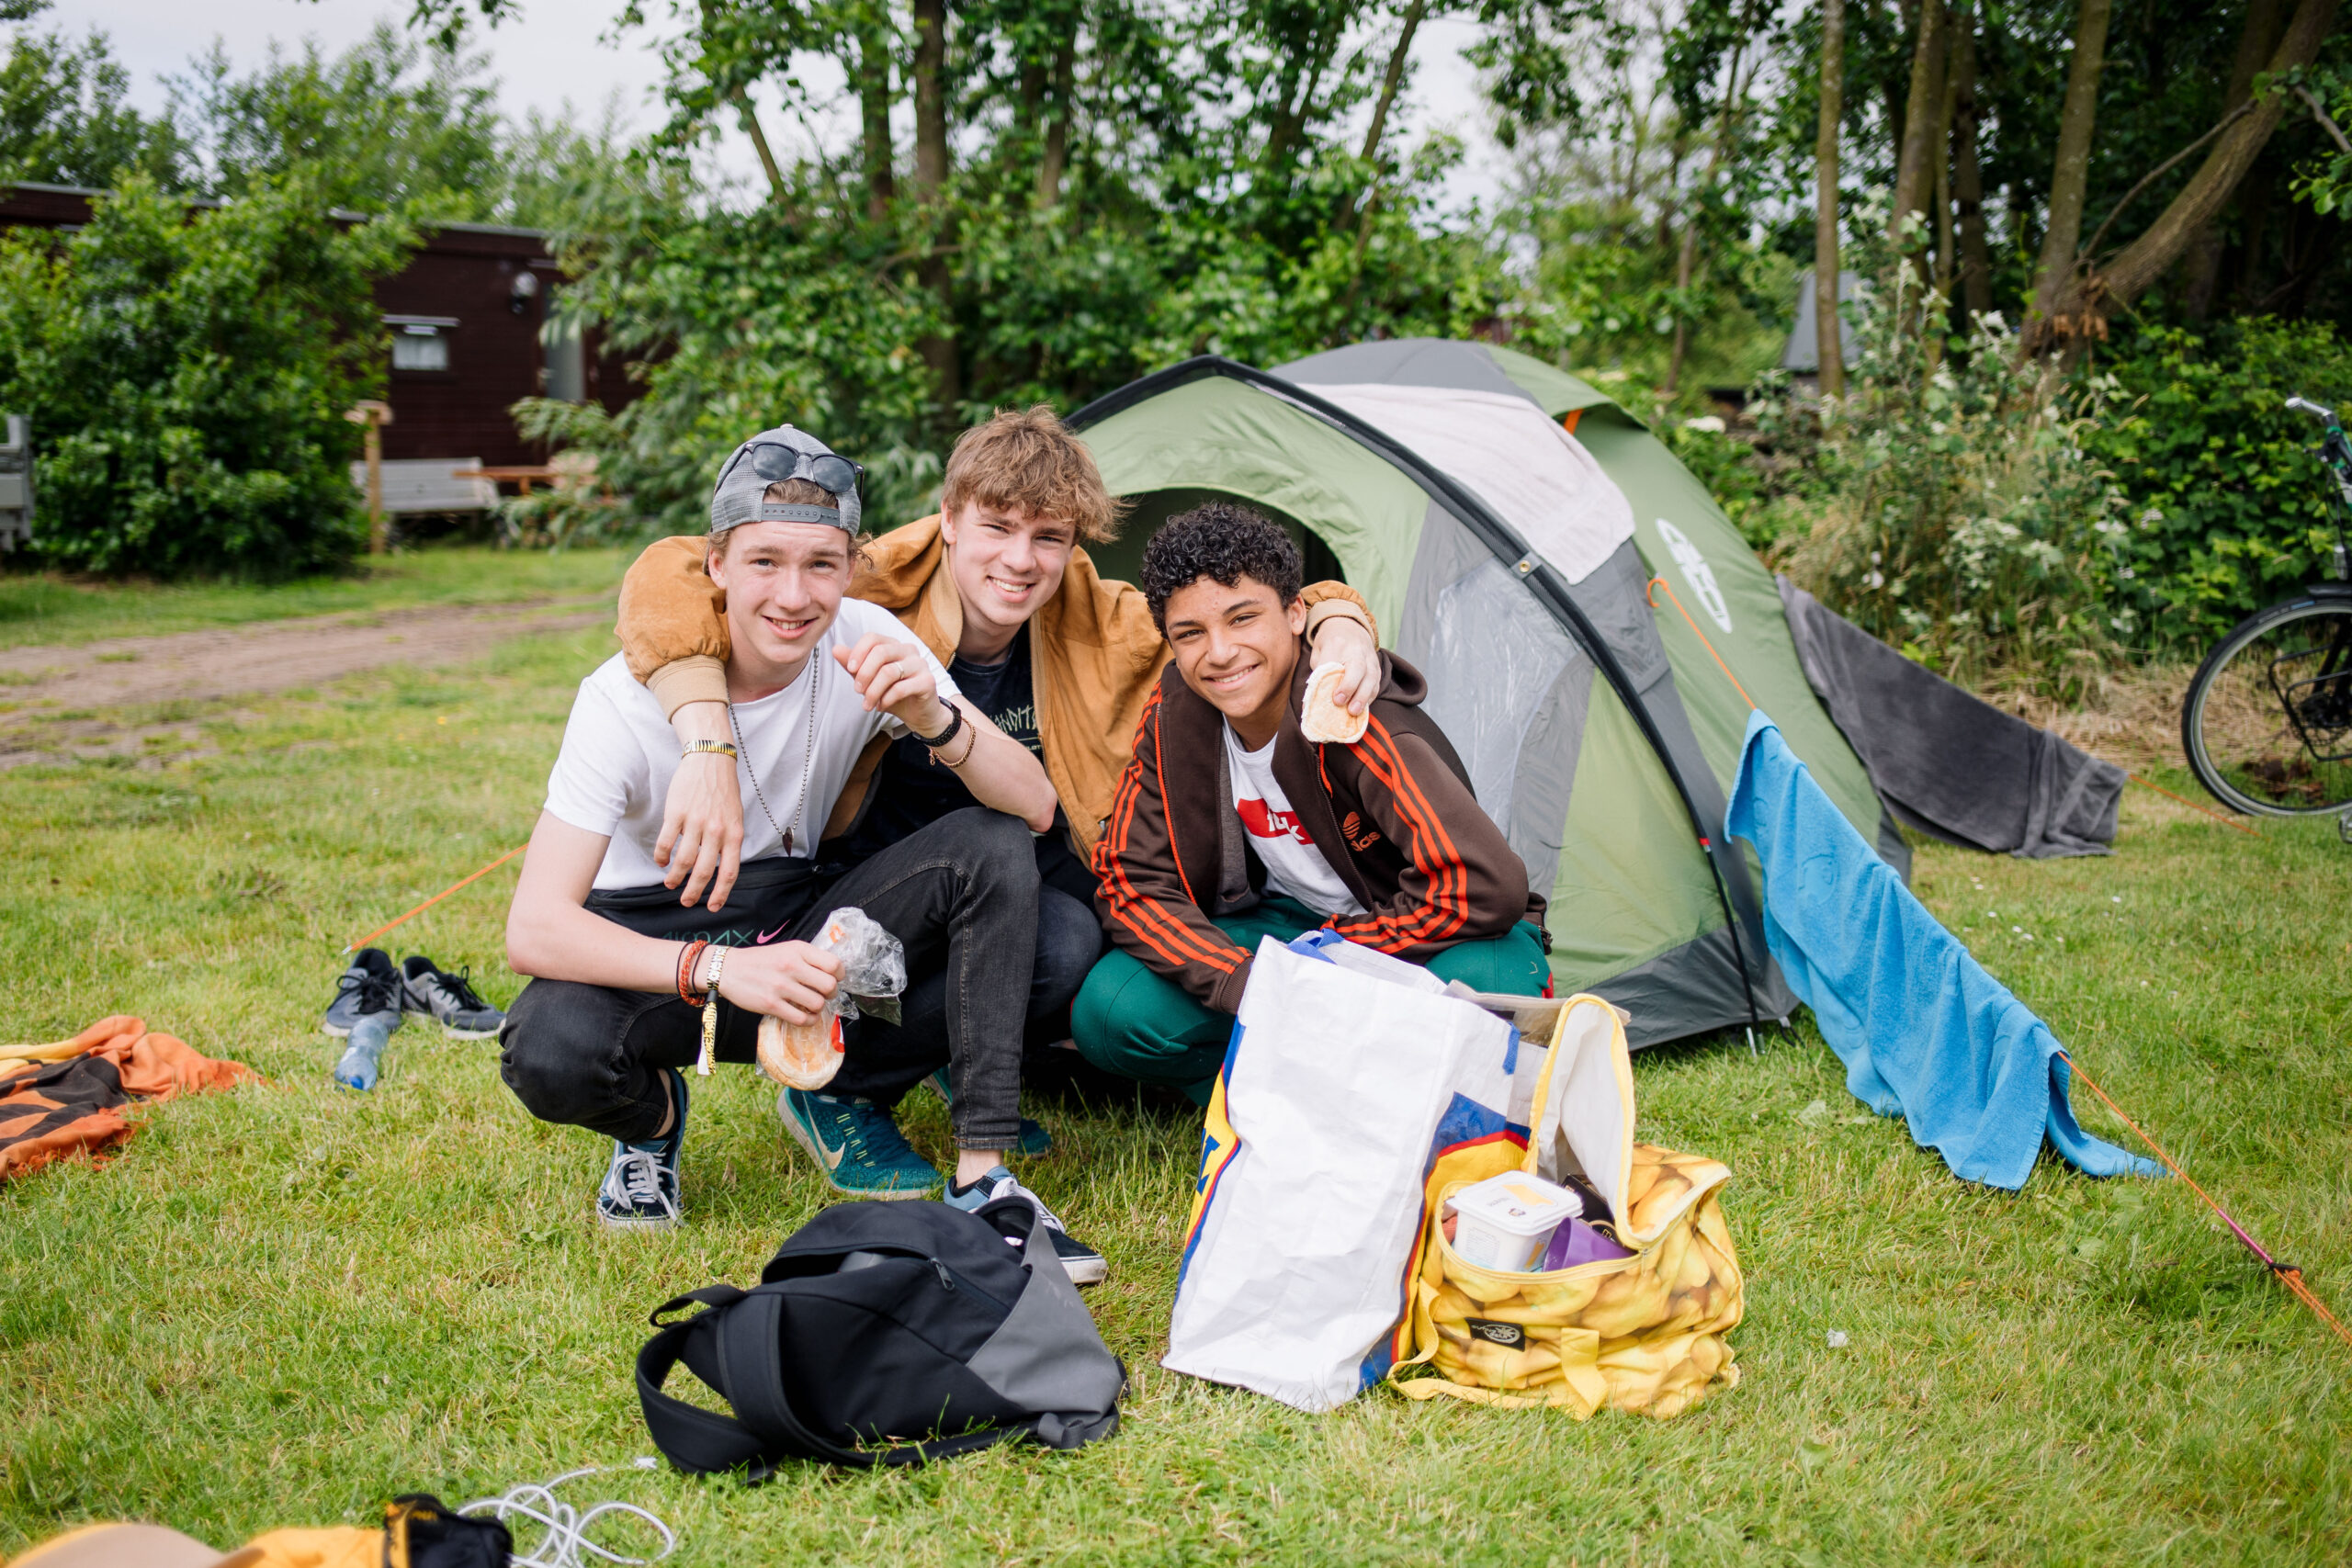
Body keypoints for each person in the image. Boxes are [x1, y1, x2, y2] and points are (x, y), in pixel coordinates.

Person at [610, 406, 1382, 1178]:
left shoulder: (1097, 615)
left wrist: (1340, 623)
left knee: (1077, 934)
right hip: (871, 875)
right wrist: (707, 739)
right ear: (947, 519)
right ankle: (840, 1090)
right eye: (998, 527)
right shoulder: (869, 575)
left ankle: (957, 1046)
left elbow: (1255, 605)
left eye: (1049, 537)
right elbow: (671, 570)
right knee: (1015, 888)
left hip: (1015, 855)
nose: (1021, 560)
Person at [500, 424, 1107, 1284]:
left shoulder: (865, 636)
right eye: (764, 563)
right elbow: (534, 928)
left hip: (806, 922)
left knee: (994, 845)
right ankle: (650, 1123)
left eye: (821, 564)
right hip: (661, 942)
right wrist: (715, 968)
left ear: (852, 566)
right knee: (547, 1046)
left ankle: (984, 1180)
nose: (794, 594)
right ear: (715, 565)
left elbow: (1035, 804)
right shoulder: (618, 700)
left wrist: (941, 722)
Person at [1075, 500, 1552, 1101]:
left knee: (1492, 990)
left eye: (1243, 619)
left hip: (1407, 933)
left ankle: (1372, 1092)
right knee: (1110, 1007)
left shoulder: (1352, 707)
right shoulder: (1177, 714)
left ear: (1296, 612)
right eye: (1190, 633)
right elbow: (1129, 881)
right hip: (1286, 929)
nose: (1219, 652)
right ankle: (1267, 1097)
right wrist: (1241, 978)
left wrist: (1330, 961)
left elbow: (1482, 884)